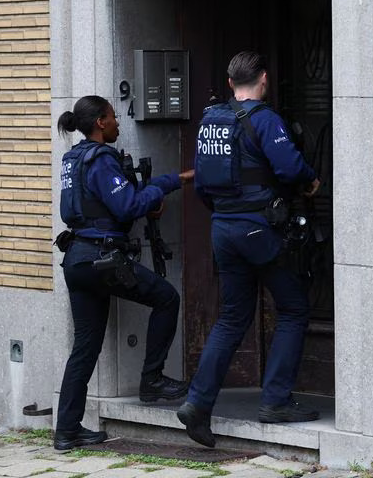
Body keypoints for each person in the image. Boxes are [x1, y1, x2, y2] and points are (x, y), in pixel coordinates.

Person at [178, 51, 321, 448]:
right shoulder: (264, 119)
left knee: (231, 318)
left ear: (229, 83)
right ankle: (275, 401)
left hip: (222, 227)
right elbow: (291, 169)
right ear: (263, 78)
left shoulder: (211, 120)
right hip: (259, 229)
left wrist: (227, 213)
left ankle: (197, 404)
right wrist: (311, 182)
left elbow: (204, 183)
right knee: (293, 307)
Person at [53, 95, 194, 450]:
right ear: (100, 122)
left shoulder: (73, 158)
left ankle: (67, 430)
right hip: (102, 259)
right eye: (114, 117)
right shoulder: (101, 159)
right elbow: (127, 204)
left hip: (77, 259)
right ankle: (152, 380)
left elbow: (98, 206)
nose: (118, 123)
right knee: (166, 297)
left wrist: (164, 183)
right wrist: (166, 185)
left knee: (84, 347)